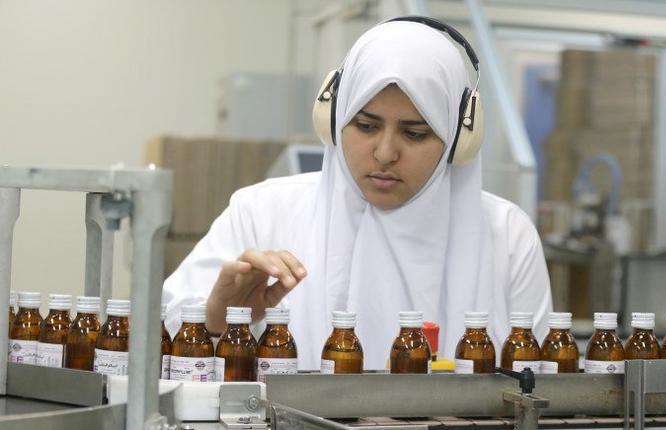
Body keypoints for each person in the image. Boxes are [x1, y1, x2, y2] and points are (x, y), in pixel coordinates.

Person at [162, 16, 552, 370]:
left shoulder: (506, 236)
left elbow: (539, 384)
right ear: (332, 119)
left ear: (458, 139)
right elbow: (163, 336)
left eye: (414, 133)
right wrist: (217, 318)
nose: (385, 153)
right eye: (365, 126)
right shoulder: (261, 212)